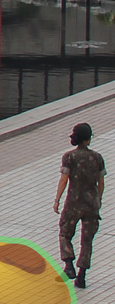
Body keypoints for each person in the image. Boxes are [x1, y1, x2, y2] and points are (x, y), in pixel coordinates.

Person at [56, 121, 104, 289]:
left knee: (65, 233)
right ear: (88, 139)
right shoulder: (97, 157)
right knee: (87, 240)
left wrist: (57, 200)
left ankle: (69, 265)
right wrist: (98, 201)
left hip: (73, 204)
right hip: (91, 204)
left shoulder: (69, 157)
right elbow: (101, 182)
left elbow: (64, 180)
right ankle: (82, 276)